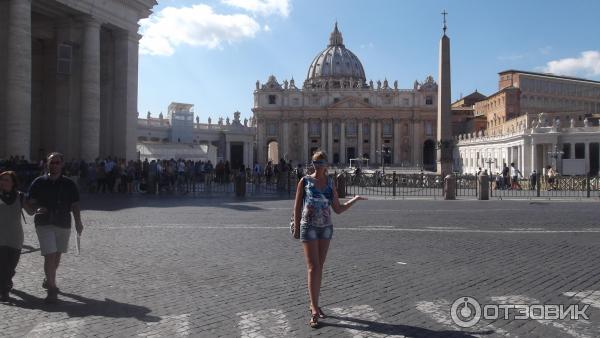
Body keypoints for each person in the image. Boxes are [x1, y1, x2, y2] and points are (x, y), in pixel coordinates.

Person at [292, 151, 366, 328]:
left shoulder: (331, 183)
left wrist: (354, 199)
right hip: (308, 227)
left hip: (325, 228)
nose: (317, 165)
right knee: (313, 267)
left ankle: (315, 304)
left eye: (321, 162)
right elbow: (296, 206)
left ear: (326, 165)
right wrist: (296, 226)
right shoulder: (305, 181)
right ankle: (314, 309)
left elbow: (338, 209)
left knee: (320, 267)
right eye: (315, 162)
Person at [27, 152, 83, 303]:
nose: (54, 165)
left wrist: (78, 222)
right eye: (52, 162)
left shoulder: (69, 184)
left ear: (62, 164)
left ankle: (48, 278)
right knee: (50, 255)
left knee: (57, 256)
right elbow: (30, 202)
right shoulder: (38, 182)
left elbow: (75, 204)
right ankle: (52, 289)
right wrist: (35, 208)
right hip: (44, 223)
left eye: (57, 162)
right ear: (47, 164)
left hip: (63, 222)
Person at [0, 171, 32, 302]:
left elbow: (30, 211)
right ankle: (4, 291)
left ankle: (6, 283)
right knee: (2, 265)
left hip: (16, 236)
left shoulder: (20, 197)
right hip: (0, 237)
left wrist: (40, 208)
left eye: (6, 180)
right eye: (1, 180)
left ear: (13, 182)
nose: (3, 182)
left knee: (11, 266)